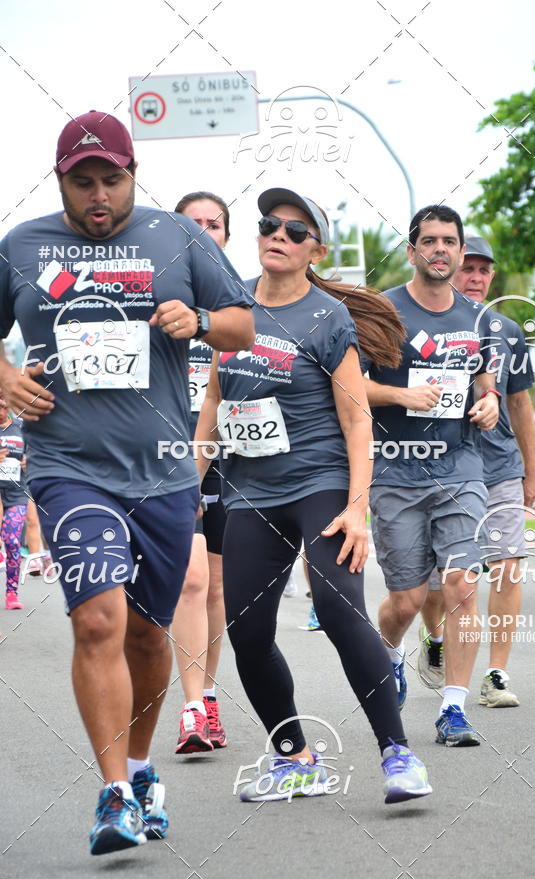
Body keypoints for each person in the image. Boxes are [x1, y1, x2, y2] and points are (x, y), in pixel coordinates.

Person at [0, 111, 254, 855]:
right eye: (84, 182)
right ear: (61, 183)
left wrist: (200, 317)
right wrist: (9, 379)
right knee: (97, 620)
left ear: (134, 175)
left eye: (112, 178)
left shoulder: (179, 239)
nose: (99, 194)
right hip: (68, 467)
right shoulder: (21, 247)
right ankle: (113, 793)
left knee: (148, 634)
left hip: (164, 472)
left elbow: (244, 322)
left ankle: (141, 770)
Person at [195, 187, 433, 804]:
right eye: (270, 224)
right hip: (250, 488)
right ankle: (295, 758)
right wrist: (186, 486)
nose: (279, 234)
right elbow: (216, 402)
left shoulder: (328, 317)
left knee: (336, 607)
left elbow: (357, 420)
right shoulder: (233, 303)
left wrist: (357, 506)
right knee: (246, 631)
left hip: (318, 481)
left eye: (296, 231)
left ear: (315, 250)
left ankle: (398, 755)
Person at [365, 206, 500, 747]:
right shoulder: (383, 311)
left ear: (460, 252)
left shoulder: (478, 317)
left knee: (462, 585)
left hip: (461, 468)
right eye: (430, 241)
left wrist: (488, 401)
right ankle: (392, 655)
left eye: (449, 241)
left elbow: (483, 380)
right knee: (407, 601)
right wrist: (400, 394)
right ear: (412, 250)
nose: (440, 249)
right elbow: (349, 386)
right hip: (396, 469)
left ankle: (453, 708)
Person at [418, 235, 535, 708]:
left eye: (483, 270)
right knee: (439, 580)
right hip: (439, 467)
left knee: (507, 566)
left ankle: (496, 673)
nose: (474, 277)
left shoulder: (508, 331)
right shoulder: (425, 324)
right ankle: (435, 638)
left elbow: (520, 400)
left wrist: (532, 469)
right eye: (467, 267)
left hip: (499, 467)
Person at [170, 191, 231, 753]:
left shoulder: (241, 310)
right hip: (167, 461)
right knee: (189, 581)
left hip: (231, 465)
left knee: (215, 587)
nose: (205, 232)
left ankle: (207, 697)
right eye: (194, 224)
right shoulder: (157, 297)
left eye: (216, 225)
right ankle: (189, 708)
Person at [0, 401, 28, 610]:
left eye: (2, 406)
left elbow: (37, 453)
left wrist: (30, 461)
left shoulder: (21, 427)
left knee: (11, 541)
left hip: (16, 492)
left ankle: (12, 592)